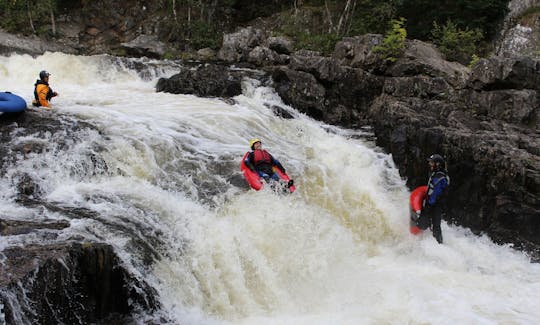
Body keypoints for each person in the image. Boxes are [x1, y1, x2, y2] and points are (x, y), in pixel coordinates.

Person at [417, 154, 450, 243]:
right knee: (433, 224)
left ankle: (438, 244)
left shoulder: (440, 177)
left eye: (432, 163)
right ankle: (430, 241)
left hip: (435, 205)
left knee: (434, 225)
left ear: (438, 164)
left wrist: (428, 206)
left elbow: (435, 193)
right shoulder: (436, 174)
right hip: (434, 204)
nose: (430, 164)